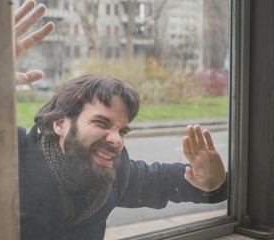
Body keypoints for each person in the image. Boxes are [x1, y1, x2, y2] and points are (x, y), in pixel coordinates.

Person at [14, 2, 227, 239]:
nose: (116, 139)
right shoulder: (14, 156)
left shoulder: (114, 174)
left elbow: (162, 181)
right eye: (101, 123)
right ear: (60, 124)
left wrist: (212, 184)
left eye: (122, 130)